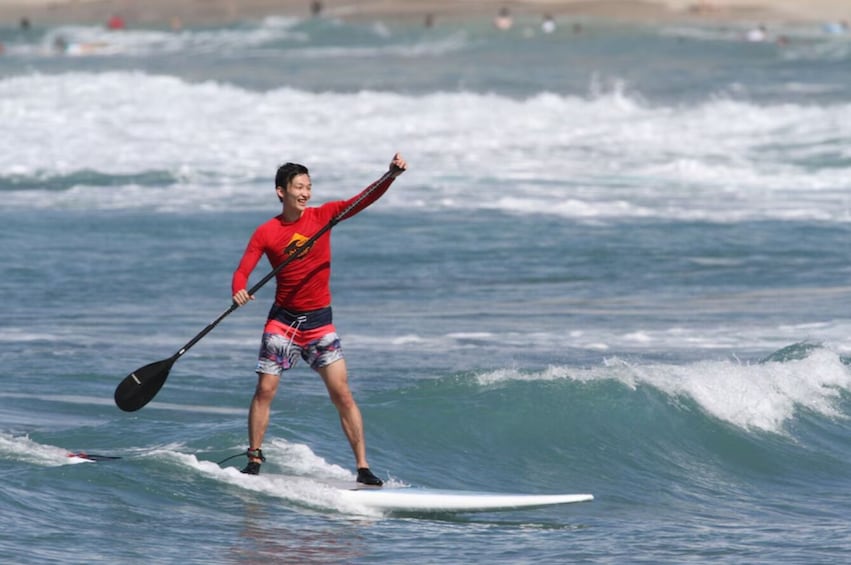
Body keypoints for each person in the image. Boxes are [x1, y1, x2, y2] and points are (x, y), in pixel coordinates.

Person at [232, 153, 408, 485]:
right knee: (265, 389)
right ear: (280, 191)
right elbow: (243, 270)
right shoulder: (266, 232)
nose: (305, 193)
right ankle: (254, 459)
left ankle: (363, 467)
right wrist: (239, 290)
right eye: (298, 187)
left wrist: (390, 176)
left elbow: (361, 200)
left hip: (319, 325)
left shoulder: (324, 216)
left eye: (309, 187)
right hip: (283, 324)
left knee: (342, 393)